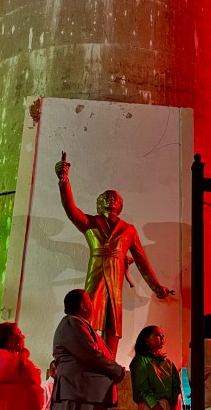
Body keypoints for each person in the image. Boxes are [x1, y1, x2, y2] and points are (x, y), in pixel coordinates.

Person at [55, 152, 173, 357]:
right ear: (99, 204)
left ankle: (109, 359)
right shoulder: (90, 222)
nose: (111, 199)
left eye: (114, 197)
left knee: (113, 323)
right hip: (97, 273)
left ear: (120, 205)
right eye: (106, 197)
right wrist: (65, 182)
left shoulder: (129, 230)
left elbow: (142, 261)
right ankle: (85, 355)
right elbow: (71, 210)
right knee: (87, 316)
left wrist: (156, 286)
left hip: (116, 279)